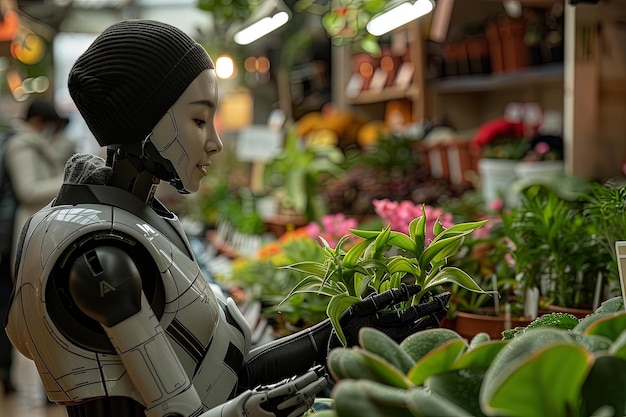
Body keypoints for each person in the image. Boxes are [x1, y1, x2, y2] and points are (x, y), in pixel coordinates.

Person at [4, 20, 449, 417]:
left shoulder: (138, 218)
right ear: (146, 122)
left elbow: (221, 371)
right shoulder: (104, 257)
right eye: (199, 120)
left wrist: (335, 335)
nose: (215, 142)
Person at [0, 98, 74, 395]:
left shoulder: (32, 144)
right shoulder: (22, 146)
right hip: (26, 236)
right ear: (40, 123)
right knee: (38, 312)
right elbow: (28, 190)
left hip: (36, 234)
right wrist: (68, 179)